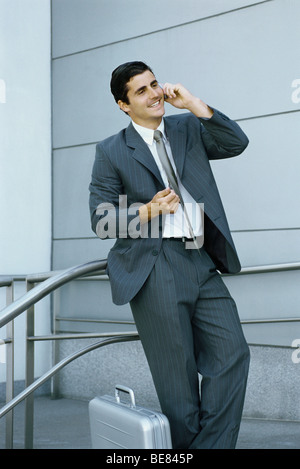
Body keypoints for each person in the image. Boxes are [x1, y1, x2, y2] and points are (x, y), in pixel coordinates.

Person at [89, 61, 250, 449]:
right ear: (123, 105)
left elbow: (236, 143)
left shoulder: (188, 128)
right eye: (141, 91)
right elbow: (101, 221)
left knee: (233, 355)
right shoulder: (111, 150)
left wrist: (194, 104)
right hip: (154, 267)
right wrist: (148, 210)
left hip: (200, 259)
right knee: (177, 384)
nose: (154, 94)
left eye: (155, 84)